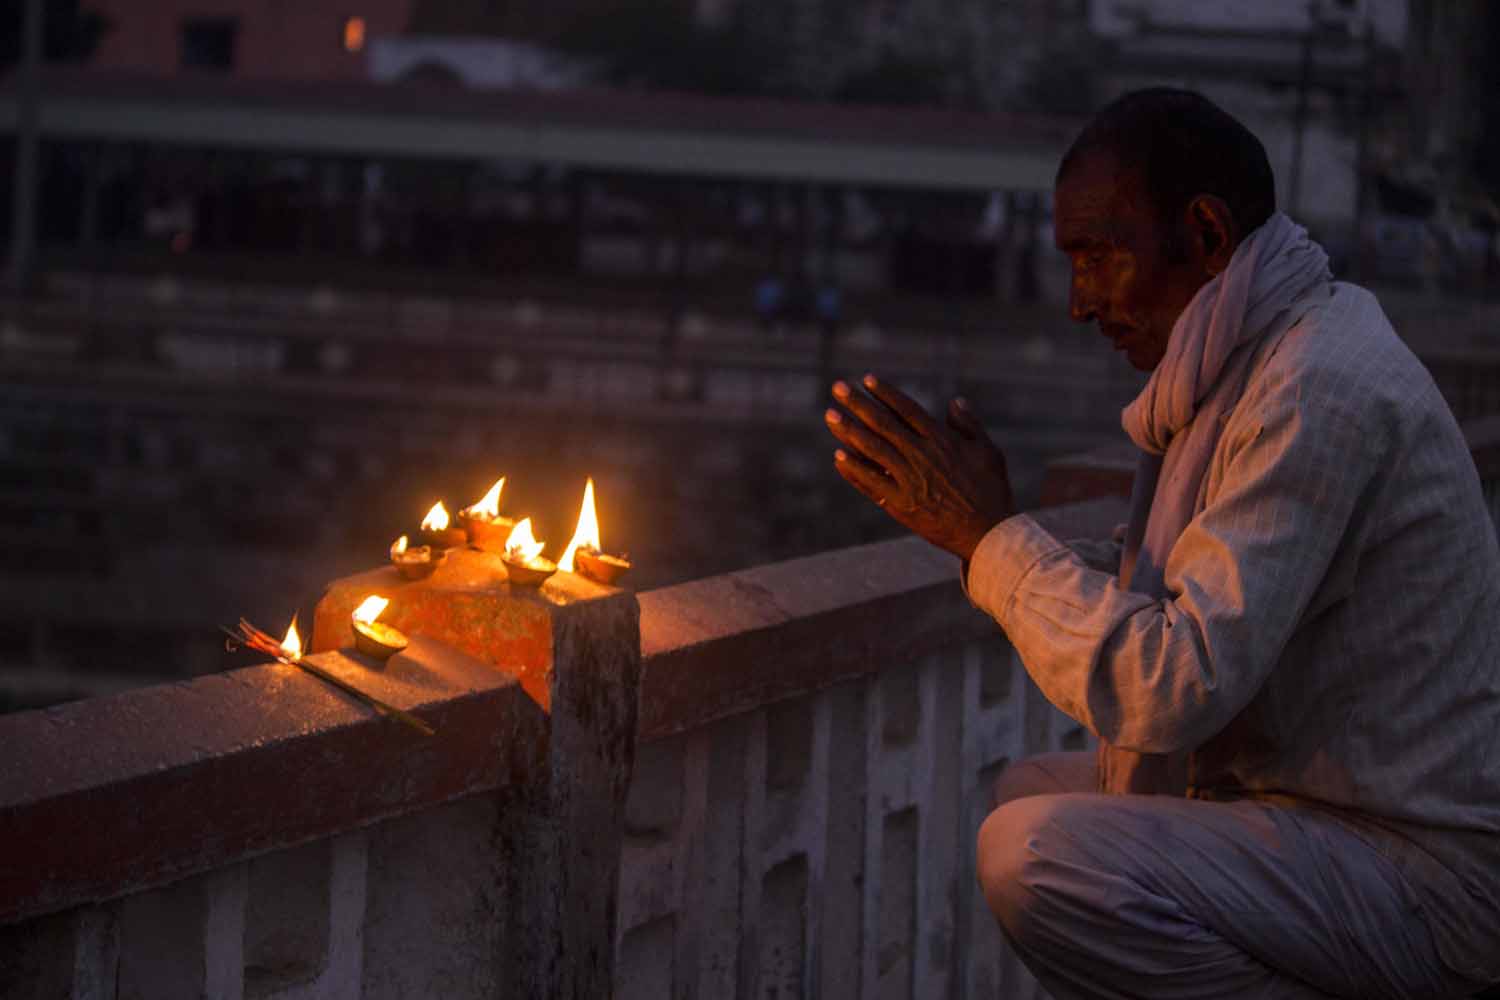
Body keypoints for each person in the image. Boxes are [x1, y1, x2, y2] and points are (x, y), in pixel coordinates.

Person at [824, 88, 1500, 999]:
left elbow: (1177, 684)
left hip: (1424, 877)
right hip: (1327, 819)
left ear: (1208, 234)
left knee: (1036, 856)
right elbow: (1201, 585)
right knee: (1026, 790)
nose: (1077, 303)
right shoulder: (1265, 354)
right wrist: (987, 536)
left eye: (1099, 257)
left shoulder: (1315, 383)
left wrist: (989, 539)